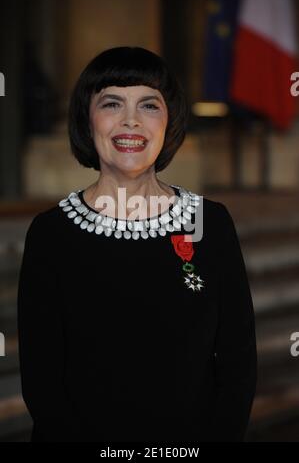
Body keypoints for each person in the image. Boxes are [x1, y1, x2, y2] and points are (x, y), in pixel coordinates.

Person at [17, 46, 257, 442]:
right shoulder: (51, 234)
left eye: (149, 105)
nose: (131, 121)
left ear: (169, 121)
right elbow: (42, 384)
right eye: (112, 103)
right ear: (86, 118)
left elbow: (238, 368)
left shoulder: (209, 223)